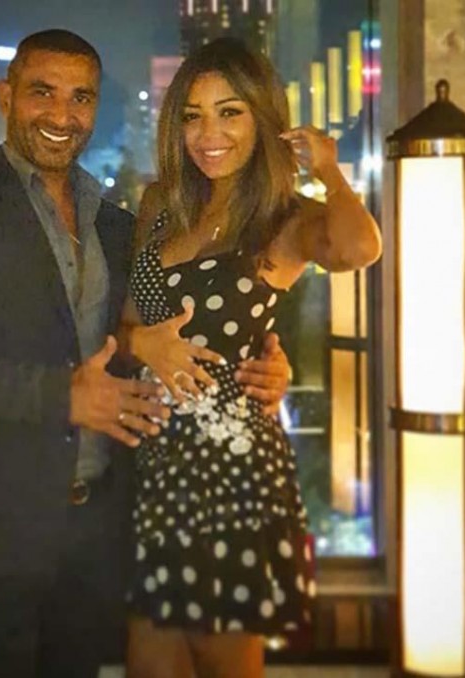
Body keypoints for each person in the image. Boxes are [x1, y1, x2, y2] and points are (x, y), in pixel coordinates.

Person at [0, 29, 291, 678]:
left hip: (96, 533)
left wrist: (263, 365)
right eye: (42, 92)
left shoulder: (119, 225)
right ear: (7, 97)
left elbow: (153, 333)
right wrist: (63, 397)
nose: (62, 113)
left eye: (81, 97)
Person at [119, 38, 382, 678]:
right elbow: (128, 322)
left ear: (263, 119)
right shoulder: (160, 204)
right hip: (151, 458)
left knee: (221, 657)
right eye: (193, 115)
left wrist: (329, 170)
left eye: (230, 112)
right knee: (153, 662)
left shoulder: (283, 219)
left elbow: (359, 248)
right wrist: (138, 344)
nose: (208, 134)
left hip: (227, 467)